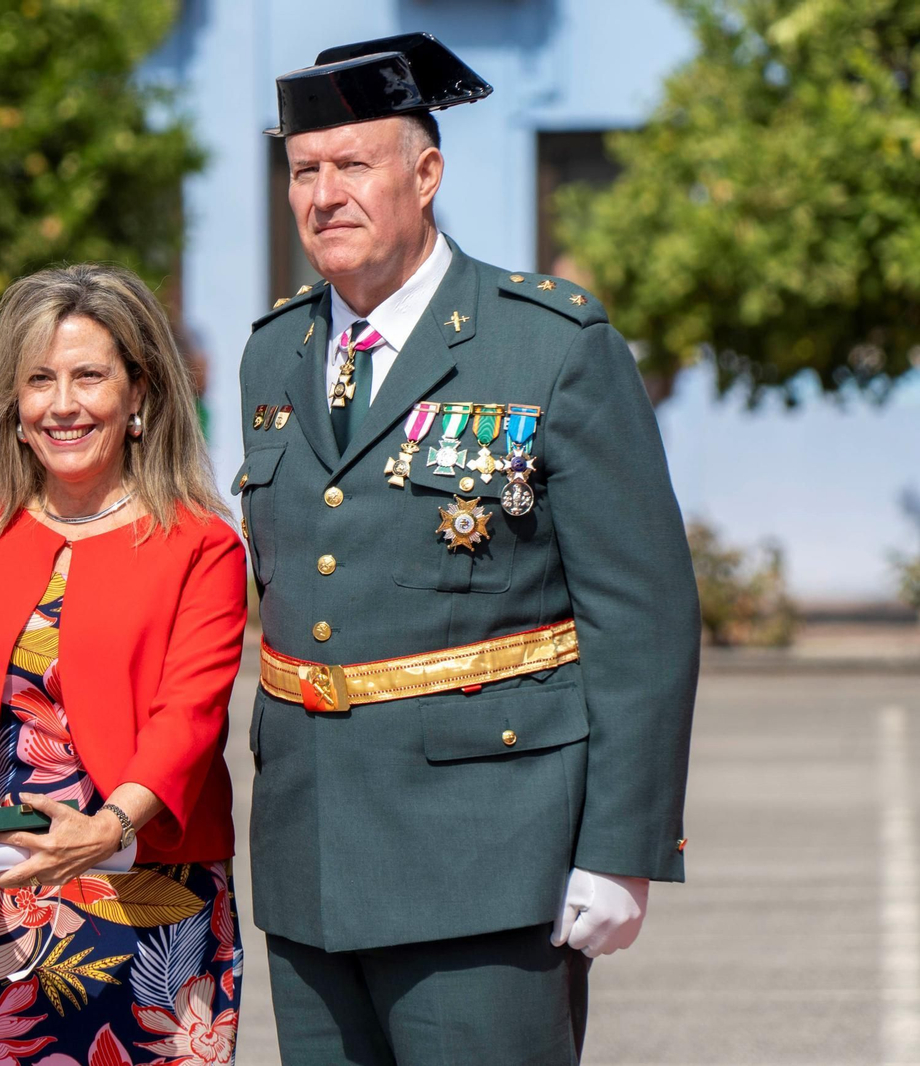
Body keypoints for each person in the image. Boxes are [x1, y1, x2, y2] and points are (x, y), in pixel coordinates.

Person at [235, 33, 701, 1065]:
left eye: (352, 165)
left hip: (487, 853)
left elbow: (643, 614)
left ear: (426, 172)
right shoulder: (276, 351)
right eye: (303, 171)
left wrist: (620, 852)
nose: (323, 194)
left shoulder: (547, 344)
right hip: (311, 852)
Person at [0, 263, 248, 1065]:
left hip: (148, 901)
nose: (62, 404)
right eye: (39, 381)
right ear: (15, 406)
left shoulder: (201, 544)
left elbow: (191, 717)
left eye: (89, 376)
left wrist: (106, 829)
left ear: (139, 393)